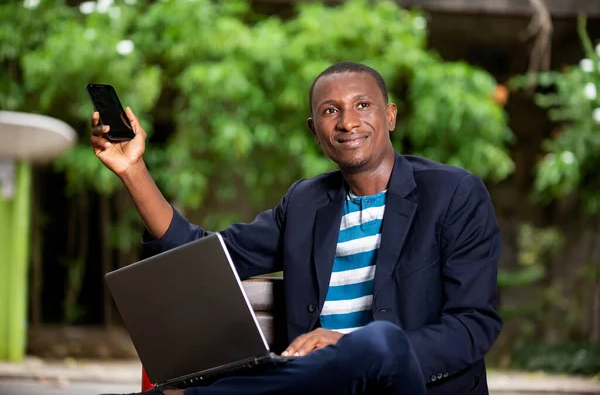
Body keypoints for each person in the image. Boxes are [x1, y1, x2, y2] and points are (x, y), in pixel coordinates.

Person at [93, 62, 502, 395]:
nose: (347, 122)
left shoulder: (453, 194)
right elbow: (200, 257)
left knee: (382, 342)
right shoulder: (305, 204)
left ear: (390, 116)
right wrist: (133, 171)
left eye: (363, 105)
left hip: (409, 384)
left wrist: (349, 345)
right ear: (314, 131)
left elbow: (473, 324)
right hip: (316, 387)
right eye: (330, 111)